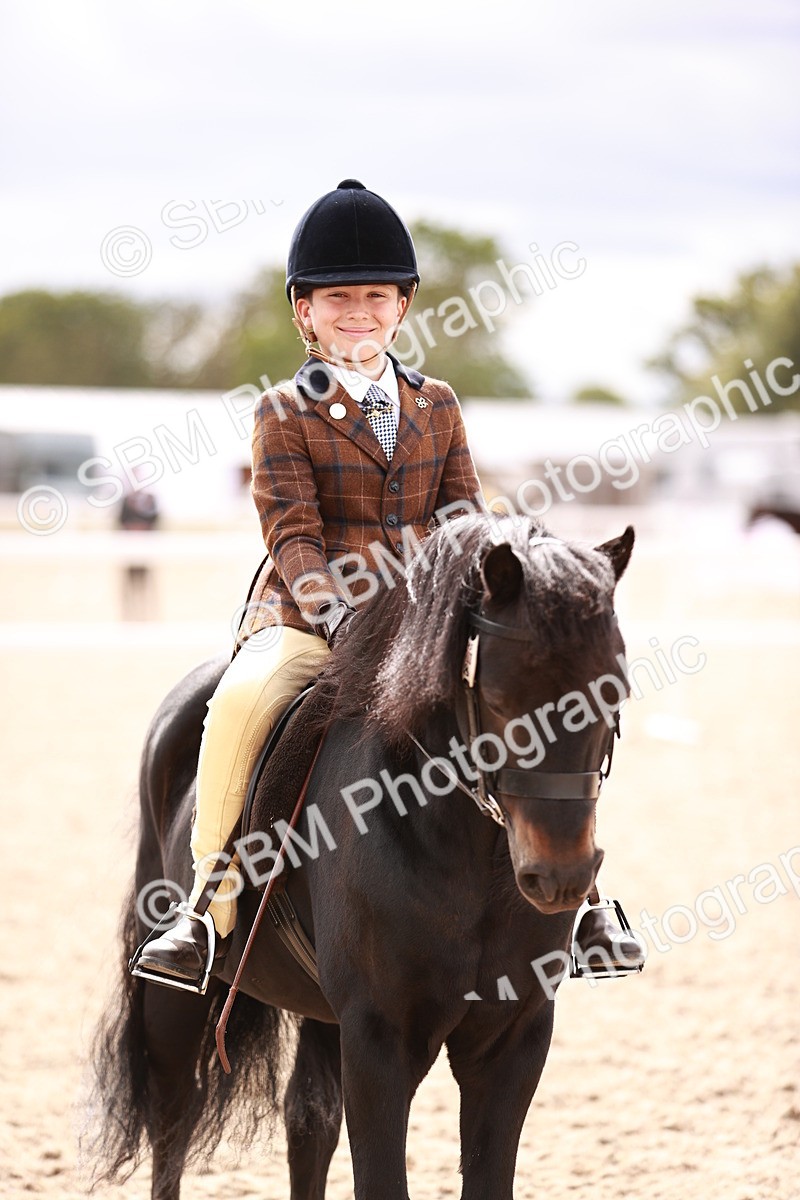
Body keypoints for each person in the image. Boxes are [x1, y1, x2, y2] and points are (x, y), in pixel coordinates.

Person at [135, 180, 644, 992]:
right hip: (306, 616)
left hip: (425, 622)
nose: (359, 312)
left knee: (543, 697)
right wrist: (340, 614)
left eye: (375, 296)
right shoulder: (280, 411)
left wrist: (486, 595)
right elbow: (292, 533)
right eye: (339, 299)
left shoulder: (435, 403)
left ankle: (584, 900)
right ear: (305, 312)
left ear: (402, 306)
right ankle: (204, 907)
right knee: (241, 700)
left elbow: (466, 519)